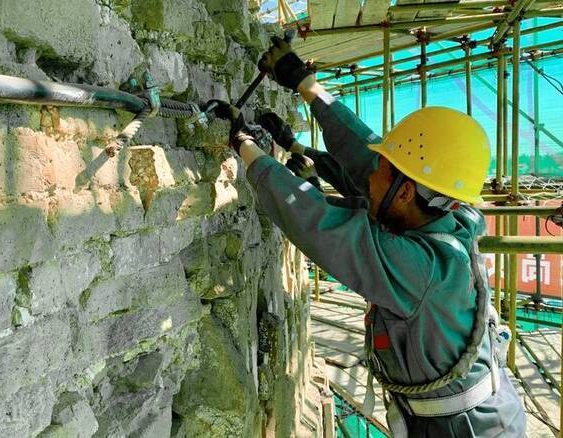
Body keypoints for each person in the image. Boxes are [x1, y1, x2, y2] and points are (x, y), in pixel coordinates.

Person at [210, 36, 526, 437]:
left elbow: (323, 227)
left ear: (408, 191)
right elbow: (365, 163)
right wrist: (307, 89)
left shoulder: (422, 269)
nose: (368, 177)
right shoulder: (443, 211)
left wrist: (246, 146)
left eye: (382, 170)